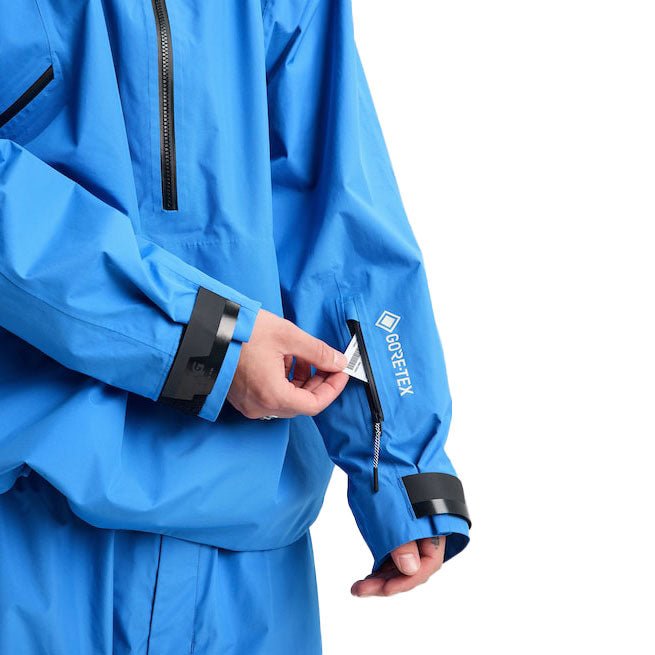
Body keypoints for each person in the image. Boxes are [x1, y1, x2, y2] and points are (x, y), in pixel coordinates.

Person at [0, 0, 471, 652]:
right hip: (25, 518)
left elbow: (333, 193)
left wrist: (401, 464)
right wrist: (206, 342)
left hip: (248, 546)